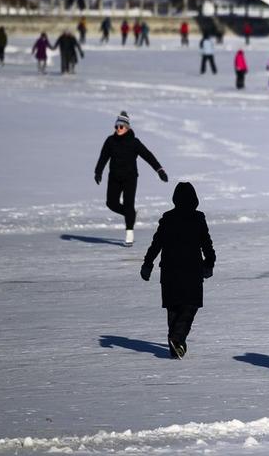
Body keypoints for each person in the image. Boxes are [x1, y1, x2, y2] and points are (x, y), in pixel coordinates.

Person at [140, 182, 215, 359]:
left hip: (169, 271)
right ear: (195, 199)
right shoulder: (198, 218)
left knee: (173, 308)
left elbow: (156, 244)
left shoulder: (167, 218)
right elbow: (207, 243)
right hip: (191, 270)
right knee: (190, 305)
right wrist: (209, 262)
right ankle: (177, 338)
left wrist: (147, 264)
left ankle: (175, 347)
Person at [94, 111, 168, 246]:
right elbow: (103, 157)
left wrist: (159, 170)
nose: (118, 129)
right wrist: (98, 172)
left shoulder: (134, 142)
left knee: (128, 204)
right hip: (114, 178)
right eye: (116, 127)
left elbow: (148, 155)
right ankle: (131, 215)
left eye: (121, 127)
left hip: (130, 178)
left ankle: (129, 232)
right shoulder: (110, 141)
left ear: (127, 127)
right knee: (111, 203)